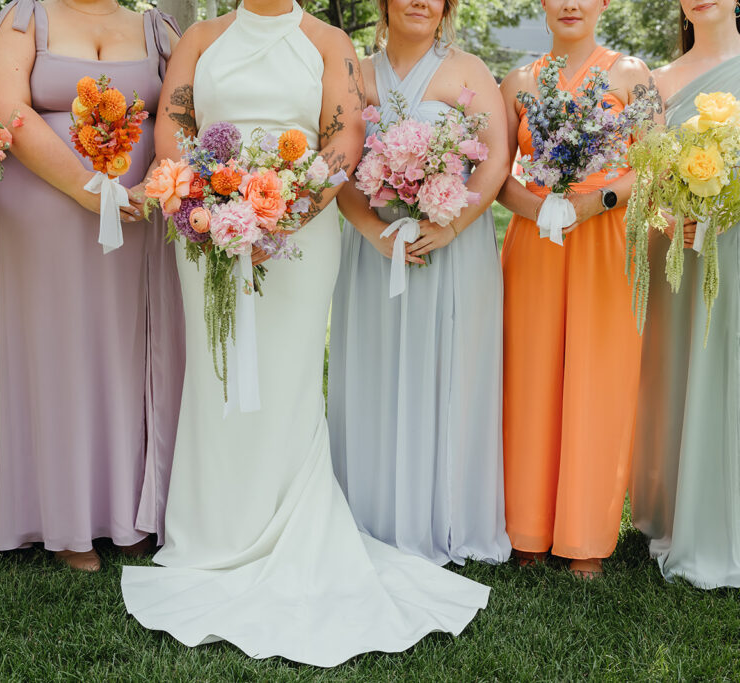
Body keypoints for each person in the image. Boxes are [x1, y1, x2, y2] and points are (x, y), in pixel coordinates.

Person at [121, 0, 490, 667]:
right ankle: (211, 529)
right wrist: (212, 204)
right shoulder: (200, 38)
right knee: (216, 370)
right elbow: (174, 128)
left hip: (299, 229)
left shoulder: (329, 43)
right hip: (206, 225)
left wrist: (278, 216)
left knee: (288, 374)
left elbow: (341, 140)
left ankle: (288, 521)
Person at [0, 0, 185, 573]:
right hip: (44, 210)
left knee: (125, 348)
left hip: (139, 213)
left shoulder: (155, 25)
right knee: (57, 350)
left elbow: (182, 112)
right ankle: (61, 517)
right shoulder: (25, 18)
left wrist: (153, 184)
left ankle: (131, 510)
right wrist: (87, 188)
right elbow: (2, 105)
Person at [328, 0, 511, 567]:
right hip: (375, 250)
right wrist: (373, 232)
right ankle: (373, 513)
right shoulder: (354, 73)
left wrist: (450, 224)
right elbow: (335, 162)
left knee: (448, 368)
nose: (420, 1)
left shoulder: (469, 69)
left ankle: (447, 516)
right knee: (375, 368)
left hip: (451, 248)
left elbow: (496, 157)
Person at [497, 0, 657, 578]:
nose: (570, 4)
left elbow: (655, 162)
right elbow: (496, 173)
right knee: (531, 374)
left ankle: (586, 534)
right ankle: (529, 529)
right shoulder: (515, 80)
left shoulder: (632, 74)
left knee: (599, 376)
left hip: (606, 238)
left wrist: (595, 201)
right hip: (537, 239)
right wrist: (542, 208)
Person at [630, 0, 740, 590]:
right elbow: (641, 174)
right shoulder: (657, 81)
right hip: (680, 250)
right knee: (680, 371)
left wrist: (728, 210)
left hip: (737, 248)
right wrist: (678, 215)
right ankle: (680, 509)